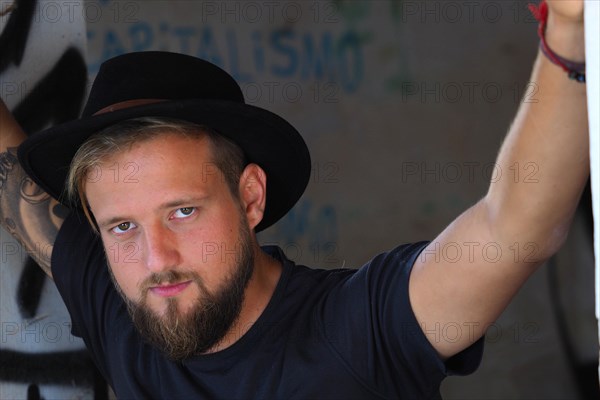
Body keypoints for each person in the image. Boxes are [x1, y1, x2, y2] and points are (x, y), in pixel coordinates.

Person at [0, 0, 589, 398]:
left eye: (183, 211)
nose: (156, 259)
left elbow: (515, 229)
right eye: (121, 226)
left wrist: (565, 30)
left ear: (250, 197)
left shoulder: (357, 330)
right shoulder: (120, 303)